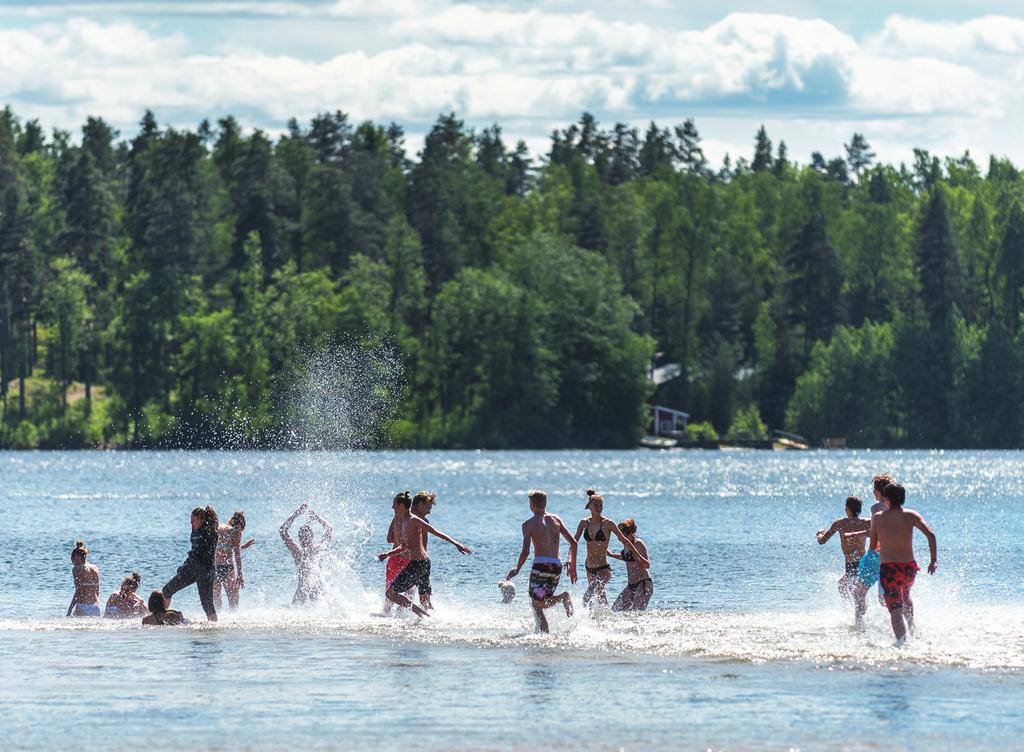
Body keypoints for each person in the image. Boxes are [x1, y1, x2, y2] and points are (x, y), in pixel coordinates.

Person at [869, 482, 938, 642]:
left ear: (886, 499)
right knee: (905, 595)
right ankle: (913, 630)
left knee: (895, 609)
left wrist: (886, 543)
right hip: (908, 569)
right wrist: (933, 561)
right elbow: (931, 535)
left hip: (889, 569)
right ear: (903, 498)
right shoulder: (911, 515)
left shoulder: (878, 518)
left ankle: (902, 643)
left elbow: (873, 546)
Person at [384, 491, 472, 617]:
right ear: (419, 504)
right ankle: (433, 618)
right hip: (421, 563)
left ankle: (415, 615)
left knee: (391, 595)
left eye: (394, 505)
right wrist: (457, 544)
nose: (429, 511)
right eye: (428, 507)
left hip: (409, 562)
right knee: (422, 599)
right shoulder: (416, 520)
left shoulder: (405, 518)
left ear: (400, 506)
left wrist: (457, 544)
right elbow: (415, 546)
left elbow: (392, 540)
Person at [506, 490, 578, 633]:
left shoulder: (528, 524)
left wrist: (517, 568)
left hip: (541, 566)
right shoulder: (556, 519)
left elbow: (526, 551)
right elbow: (573, 542)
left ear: (532, 505)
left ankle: (544, 637)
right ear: (545, 504)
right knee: (542, 602)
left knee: (537, 605)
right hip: (556, 565)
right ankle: (561, 600)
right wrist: (572, 566)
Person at [574, 490, 649, 607]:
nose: (599, 507)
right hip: (589, 568)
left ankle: (580, 622)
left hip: (603, 569)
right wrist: (571, 562)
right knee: (601, 600)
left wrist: (640, 557)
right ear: (589, 506)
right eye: (596, 505)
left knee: (587, 597)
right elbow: (574, 543)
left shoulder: (608, 523)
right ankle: (604, 622)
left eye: (601, 505)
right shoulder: (584, 523)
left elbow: (625, 541)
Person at [816, 496, 871, 624]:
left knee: (844, 587)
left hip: (853, 563)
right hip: (863, 561)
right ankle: (859, 615)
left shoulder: (840, 523)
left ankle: (856, 617)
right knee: (852, 589)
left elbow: (822, 541)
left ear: (847, 509)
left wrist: (819, 533)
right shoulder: (867, 522)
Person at [162, 506, 219, 622]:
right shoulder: (203, 531)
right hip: (208, 570)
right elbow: (196, 553)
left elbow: (197, 554)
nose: (192, 524)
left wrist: (184, 567)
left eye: (194, 521)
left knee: (167, 590)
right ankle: (213, 628)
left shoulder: (208, 532)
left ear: (202, 519)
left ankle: (160, 619)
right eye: (190, 521)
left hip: (198, 568)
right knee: (208, 605)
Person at [280, 503, 333, 604]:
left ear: (312, 537)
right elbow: (282, 531)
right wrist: (298, 514)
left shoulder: (310, 551)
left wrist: (315, 516)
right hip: (308, 591)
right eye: (302, 537)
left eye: (306, 537)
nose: (305, 540)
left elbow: (329, 530)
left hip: (313, 590)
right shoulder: (301, 551)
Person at [378, 492, 412, 614]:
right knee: (410, 591)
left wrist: (397, 540)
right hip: (408, 561)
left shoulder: (395, 518)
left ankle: (386, 614)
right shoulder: (412, 520)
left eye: (394, 505)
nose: (392, 507)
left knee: (390, 592)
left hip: (394, 559)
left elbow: (389, 539)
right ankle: (401, 614)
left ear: (400, 505)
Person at [609, 518, 653, 611]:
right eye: (619, 536)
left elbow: (647, 565)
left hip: (643, 583)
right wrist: (611, 555)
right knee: (615, 609)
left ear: (630, 534)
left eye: (622, 536)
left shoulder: (638, 543)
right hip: (631, 586)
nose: (620, 539)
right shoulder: (625, 545)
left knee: (636, 612)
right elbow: (627, 558)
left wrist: (634, 551)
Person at [214, 511, 254, 610]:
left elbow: (223, 547)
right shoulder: (236, 532)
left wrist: (243, 546)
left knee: (216, 601)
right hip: (227, 567)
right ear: (240, 525)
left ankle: (216, 622)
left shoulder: (219, 527)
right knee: (233, 599)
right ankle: (233, 621)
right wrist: (240, 575)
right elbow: (237, 555)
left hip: (214, 567)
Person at [66, 540, 101, 617]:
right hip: (95, 606)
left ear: (77, 557)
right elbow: (97, 591)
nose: (72, 560)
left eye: (72, 557)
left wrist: (70, 609)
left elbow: (78, 591)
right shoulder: (95, 568)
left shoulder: (77, 569)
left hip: (83, 606)